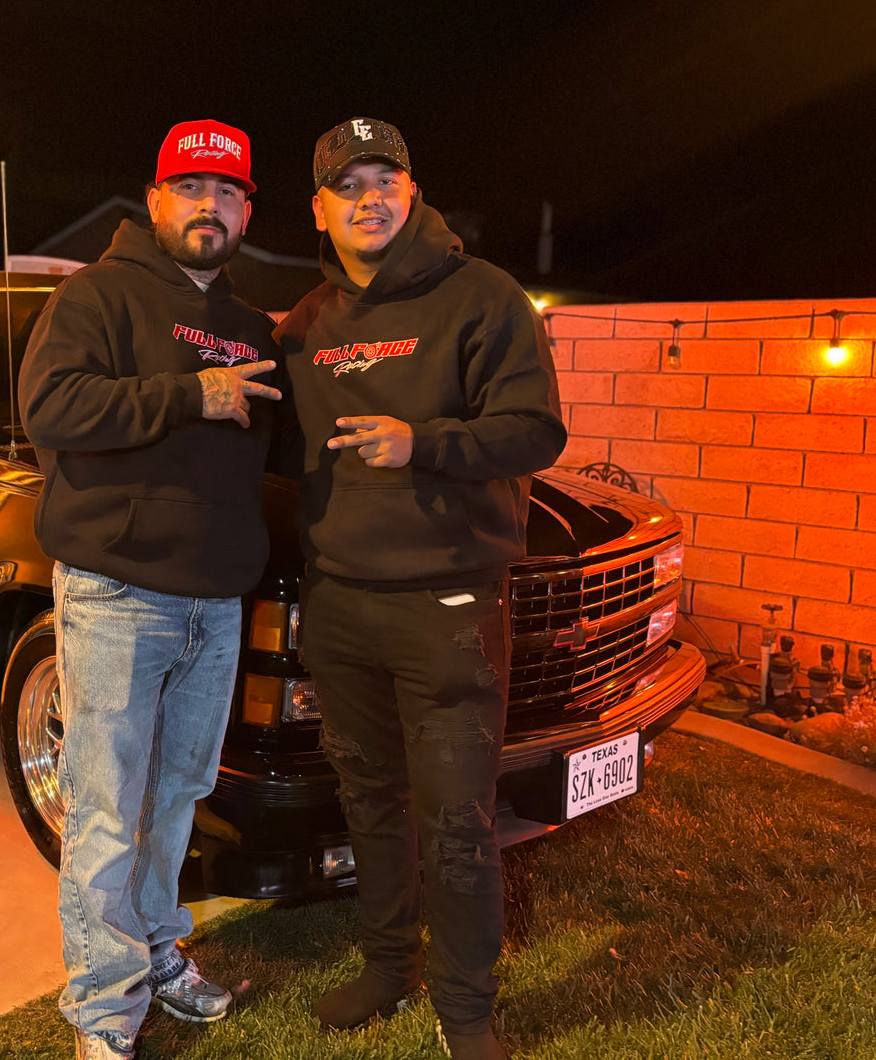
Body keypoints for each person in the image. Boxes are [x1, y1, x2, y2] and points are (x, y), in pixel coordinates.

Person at [273, 118, 567, 1060]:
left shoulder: (483, 297)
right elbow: (268, 436)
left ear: (412, 191)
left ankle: (466, 1010)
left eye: (384, 179)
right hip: (340, 604)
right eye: (348, 185)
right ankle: (388, 965)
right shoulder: (308, 322)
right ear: (319, 209)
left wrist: (424, 442)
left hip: (448, 607)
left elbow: (536, 431)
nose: (369, 199)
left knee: (456, 820)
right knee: (370, 800)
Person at [17, 119, 283, 1060]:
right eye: (192, 187)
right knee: (105, 807)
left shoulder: (252, 327)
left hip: (216, 601)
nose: (210, 205)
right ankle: (103, 1007)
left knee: (178, 796)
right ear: (157, 199)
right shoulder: (97, 295)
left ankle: (160, 950)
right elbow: (50, 406)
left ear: (246, 211)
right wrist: (189, 393)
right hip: (118, 594)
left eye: (228, 192)